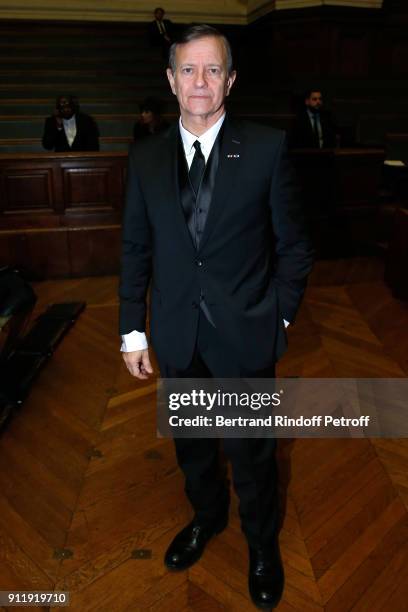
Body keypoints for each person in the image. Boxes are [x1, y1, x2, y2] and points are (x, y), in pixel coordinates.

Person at [119, 25, 314, 609]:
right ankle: (207, 519)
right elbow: (135, 248)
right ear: (171, 80)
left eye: (212, 70)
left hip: (245, 338)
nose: (199, 81)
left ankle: (262, 546)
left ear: (230, 79)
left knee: (252, 454)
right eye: (187, 70)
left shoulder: (266, 147)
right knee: (193, 446)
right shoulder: (146, 156)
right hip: (177, 338)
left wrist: (277, 320)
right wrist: (133, 327)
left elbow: (295, 247)